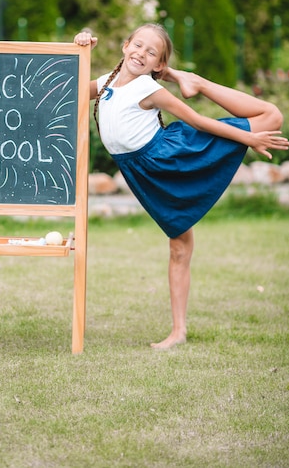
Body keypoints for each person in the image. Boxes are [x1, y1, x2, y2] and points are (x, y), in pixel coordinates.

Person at [74, 24, 288, 350]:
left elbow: (198, 121)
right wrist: (82, 41)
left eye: (151, 53)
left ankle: (196, 81)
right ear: (125, 45)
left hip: (171, 157)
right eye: (138, 45)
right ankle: (179, 331)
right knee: (180, 244)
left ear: (159, 65)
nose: (141, 54)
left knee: (271, 116)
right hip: (146, 172)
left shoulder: (150, 88)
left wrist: (248, 138)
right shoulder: (106, 83)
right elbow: (67, 86)